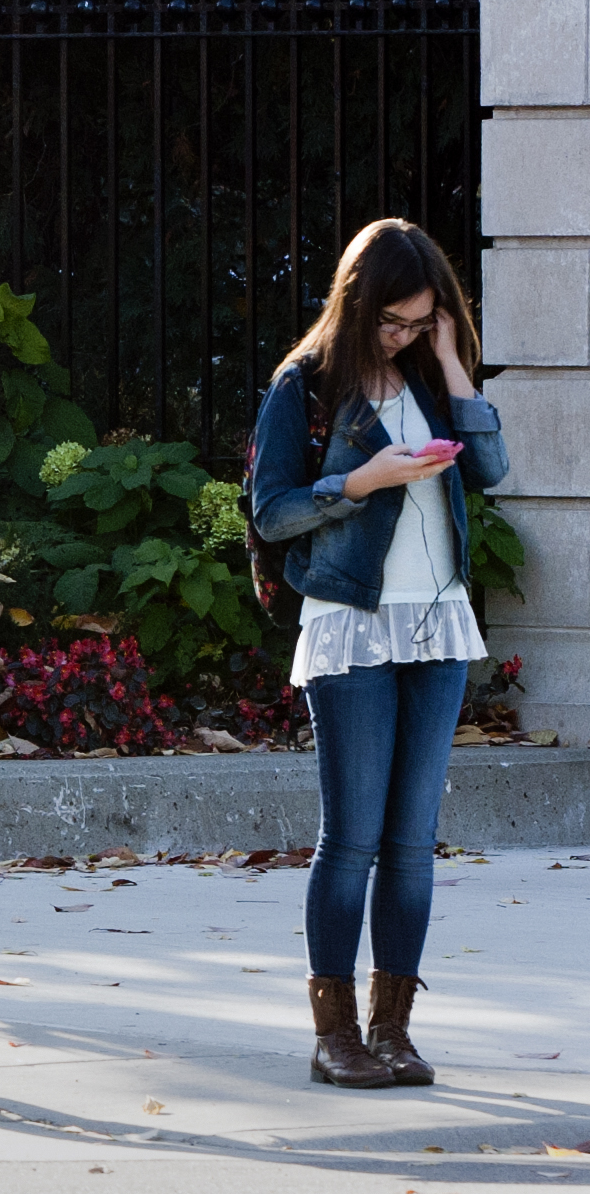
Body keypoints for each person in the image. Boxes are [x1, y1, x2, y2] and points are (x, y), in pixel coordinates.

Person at [248, 218, 506, 1090]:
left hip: (437, 626)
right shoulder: (307, 384)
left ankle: (394, 1029)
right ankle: (336, 1035)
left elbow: (493, 467)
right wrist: (360, 481)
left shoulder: (433, 380)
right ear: (357, 304)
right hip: (353, 621)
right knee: (351, 838)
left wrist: (452, 359)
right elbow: (272, 510)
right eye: (392, 321)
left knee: (413, 844)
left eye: (418, 321)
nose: (401, 335)